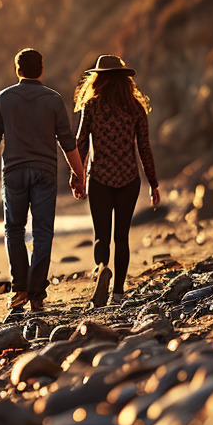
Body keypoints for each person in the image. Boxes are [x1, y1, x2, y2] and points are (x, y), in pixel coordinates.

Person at [0, 48, 87, 315]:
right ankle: (37, 295)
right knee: (42, 233)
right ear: (42, 70)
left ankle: (20, 289)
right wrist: (79, 174)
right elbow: (67, 141)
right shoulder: (53, 99)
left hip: (13, 173)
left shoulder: (3, 98)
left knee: (14, 230)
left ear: (18, 71)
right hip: (44, 173)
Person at [72, 54, 160, 307]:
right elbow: (145, 149)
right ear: (125, 80)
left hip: (98, 178)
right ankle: (119, 291)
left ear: (98, 79)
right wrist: (153, 183)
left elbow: (80, 143)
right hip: (128, 179)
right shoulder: (136, 108)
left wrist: (76, 176)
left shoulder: (92, 106)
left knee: (101, 235)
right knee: (121, 237)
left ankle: (102, 268)